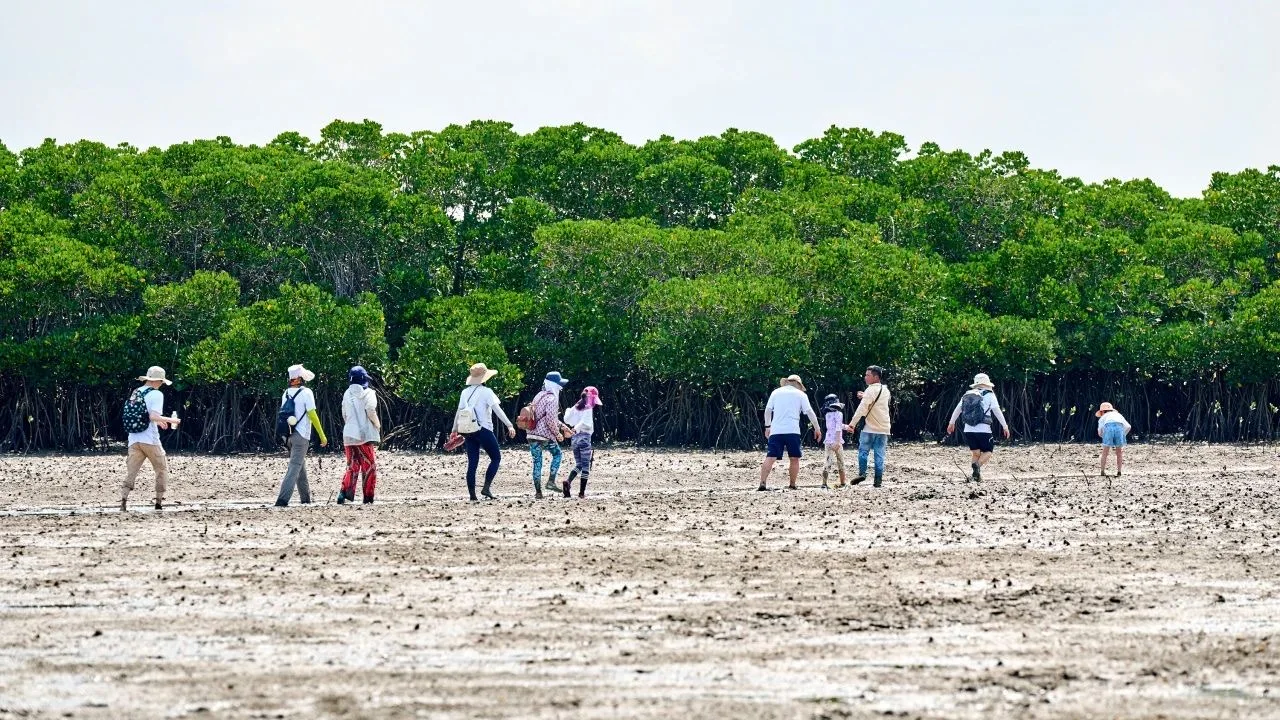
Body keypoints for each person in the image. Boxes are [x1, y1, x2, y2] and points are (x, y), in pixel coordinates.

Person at [452, 363, 516, 501]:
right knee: (496, 458)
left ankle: (472, 495)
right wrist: (509, 425)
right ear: (484, 377)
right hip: (484, 430)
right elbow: (498, 410)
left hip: (469, 432)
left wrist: (454, 430)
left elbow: (459, 412)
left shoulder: (464, 392)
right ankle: (486, 488)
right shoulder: (487, 392)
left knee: (472, 464)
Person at [121, 366, 181, 511]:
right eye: (161, 381)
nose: (161, 384)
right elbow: (152, 416)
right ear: (157, 381)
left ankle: (123, 501)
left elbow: (144, 414)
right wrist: (174, 421)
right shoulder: (157, 394)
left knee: (131, 472)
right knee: (161, 469)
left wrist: (159, 421)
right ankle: (158, 503)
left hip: (134, 439)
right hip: (150, 440)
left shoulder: (136, 392)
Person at [275, 364, 328, 507]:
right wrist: (322, 436)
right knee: (294, 467)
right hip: (301, 437)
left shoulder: (285, 393)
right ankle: (282, 500)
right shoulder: (307, 393)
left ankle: (306, 500)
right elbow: (313, 415)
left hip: (288, 436)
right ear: (299, 379)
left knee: (300, 468)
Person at [758, 374, 821, 491]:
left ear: (787, 382)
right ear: (798, 384)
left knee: (770, 457)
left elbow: (767, 410)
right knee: (794, 458)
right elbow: (810, 412)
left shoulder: (776, 392)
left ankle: (762, 483)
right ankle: (792, 484)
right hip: (793, 431)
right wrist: (817, 428)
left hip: (776, 431)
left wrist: (767, 426)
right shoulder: (801, 394)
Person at [947, 373, 1009, 482]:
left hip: (968, 430)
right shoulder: (990, 395)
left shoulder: (967, 394)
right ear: (987, 384)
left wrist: (951, 423)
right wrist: (1005, 426)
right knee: (988, 451)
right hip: (984, 430)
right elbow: (997, 412)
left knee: (975, 453)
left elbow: (958, 409)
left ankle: (976, 476)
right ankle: (977, 465)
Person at [527, 371, 572, 499]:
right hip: (544, 436)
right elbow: (550, 420)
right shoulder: (552, 398)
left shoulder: (538, 396)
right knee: (557, 454)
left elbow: (546, 417)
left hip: (531, 434)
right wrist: (558, 434)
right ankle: (551, 481)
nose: (560, 387)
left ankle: (538, 492)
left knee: (537, 462)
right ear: (554, 385)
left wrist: (564, 427)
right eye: (559, 384)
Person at [339, 365, 381, 504]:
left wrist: (350, 426)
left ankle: (343, 493)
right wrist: (377, 424)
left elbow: (344, 414)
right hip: (364, 436)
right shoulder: (369, 393)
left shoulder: (346, 393)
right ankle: (368, 497)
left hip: (349, 435)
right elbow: (370, 409)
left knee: (352, 465)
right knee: (369, 466)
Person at [846, 365, 892, 487]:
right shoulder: (885, 390)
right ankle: (878, 480)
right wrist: (864, 396)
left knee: (863, 452)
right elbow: (877, 403)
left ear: (876, 377)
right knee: (879, 454)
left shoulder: (870, 390)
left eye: (868, 375)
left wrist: (852, 424)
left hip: (869, 428)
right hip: (884, 428)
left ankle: (862, 473)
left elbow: (861, 409)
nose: (865, 377)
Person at [562, 386, 602, 498]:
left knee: (579, 465)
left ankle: (568, 482)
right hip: (584, 438)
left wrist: (574, 430)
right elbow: (585, 422)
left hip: (574, 439)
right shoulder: (588, 407)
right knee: (585, 467)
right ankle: (581, 493)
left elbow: (567, 419)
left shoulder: (576, 406)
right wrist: (576, 428)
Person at [1096, 401, 1132, 477]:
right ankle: (1119, 472)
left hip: (1108, 427)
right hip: (1119, 427)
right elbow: (1128, 427)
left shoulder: (1103, 417)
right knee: (1119, 452)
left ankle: (1102, 471)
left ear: (1102, 411)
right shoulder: (1118, 415)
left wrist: (1105, 437)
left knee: (1105, 451)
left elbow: (1099, 432)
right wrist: (1123, 435)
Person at [820, 394, 847, 489]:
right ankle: (843, 483)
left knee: (827, 461)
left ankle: (824, 484)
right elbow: (838, 428)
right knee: (841, 461)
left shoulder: (827, 414)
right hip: (837, 440)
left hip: (828, 441)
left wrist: (846, 427)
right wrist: (838, 442)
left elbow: (834, 425)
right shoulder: (839, 414)